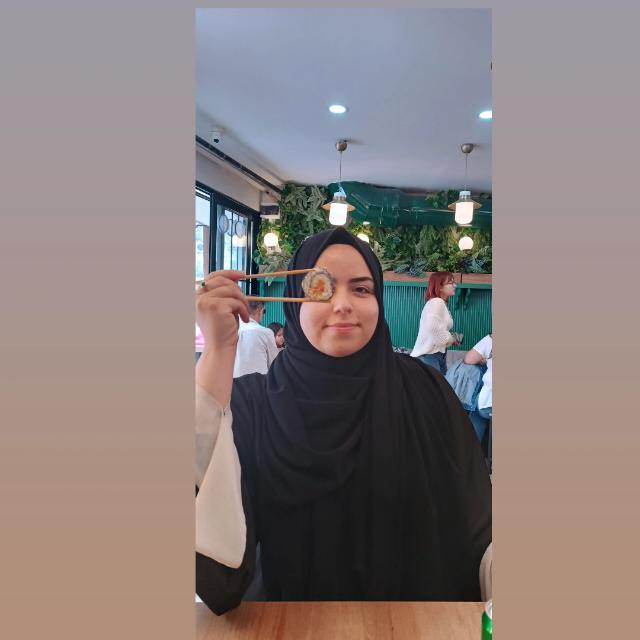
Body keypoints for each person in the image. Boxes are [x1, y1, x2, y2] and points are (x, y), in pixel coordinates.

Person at [195, 228, 491, 614]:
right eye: (321, 289)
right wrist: (219, 348)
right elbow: (214, 557)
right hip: (289, 623)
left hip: (413, 622)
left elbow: (477, 520)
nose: (343, 305)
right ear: (293, 303)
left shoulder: (425, 389)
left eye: (362, 289)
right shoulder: (254, 404)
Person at [464, 334, 493, 472]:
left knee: (477, 409)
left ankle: (469, 459)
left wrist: (485, 361)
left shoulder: (491, 340)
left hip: (488, 404)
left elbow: (468, 359)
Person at [232, 301, 280, 377]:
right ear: (260, 310)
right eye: (264, 311)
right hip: (258, 382)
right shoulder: (265, 333)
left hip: (233, 382)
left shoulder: (230, 332)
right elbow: (274, 364)